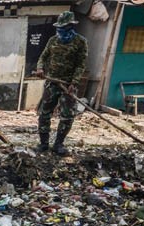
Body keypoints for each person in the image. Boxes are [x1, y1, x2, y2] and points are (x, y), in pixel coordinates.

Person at [34, 11, 88, 156]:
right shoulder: (53, 40)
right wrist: (40, 68)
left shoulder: (80, 42)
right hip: (52, 82)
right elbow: (43, 56)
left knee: (67, 116)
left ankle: (58, 145)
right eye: (59, 28)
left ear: (71, 26)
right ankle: (43, 144)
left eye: (63, 28)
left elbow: (80, 65)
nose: (61, 31)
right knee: (44, 113)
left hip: (68, 85)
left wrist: (74, 82)